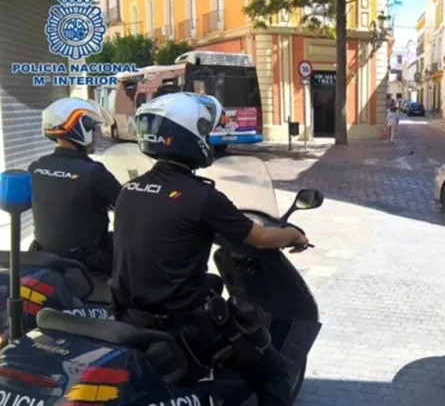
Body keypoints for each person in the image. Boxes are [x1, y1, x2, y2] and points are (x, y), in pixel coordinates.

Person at [111, 92, 307, 405]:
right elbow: (259, 238)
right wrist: (293, 234)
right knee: (273, 370)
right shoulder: (202, 197)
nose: (208, 137)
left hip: (131, 316)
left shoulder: (129, 189)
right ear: (189, 135)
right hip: (183, 324)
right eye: (204, 130)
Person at [28, 97, 121, 276]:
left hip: (42, 255)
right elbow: (126, 205)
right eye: (95, 129)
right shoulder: (94, 172)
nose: (99, 135)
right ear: (81, 129)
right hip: (85, 262)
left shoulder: (36, 167)